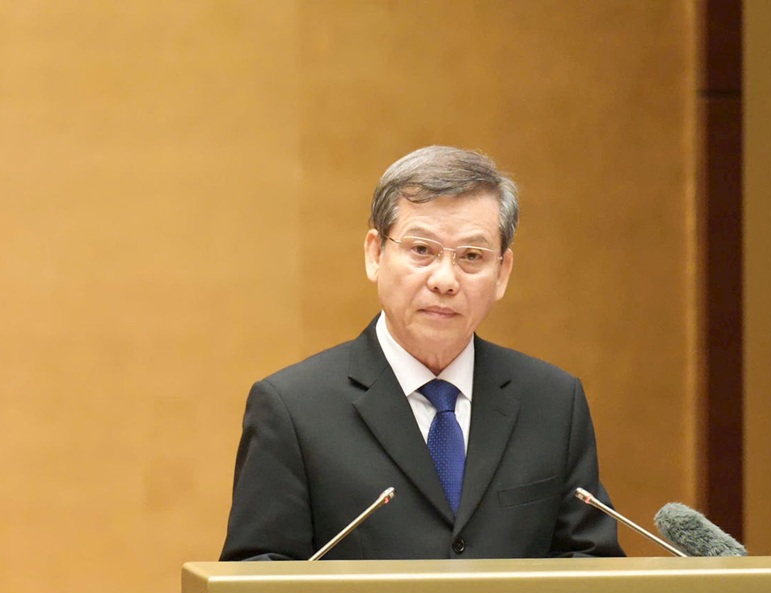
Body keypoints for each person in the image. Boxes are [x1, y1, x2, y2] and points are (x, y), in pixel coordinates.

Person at [220, 146, 624, 560]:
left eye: (471, 256)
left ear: (502, 272)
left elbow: (592, 566)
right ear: (375, 254)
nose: (445, 280)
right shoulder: (293, 409)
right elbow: (256, 577)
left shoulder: (553, 402)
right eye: (421, 250)